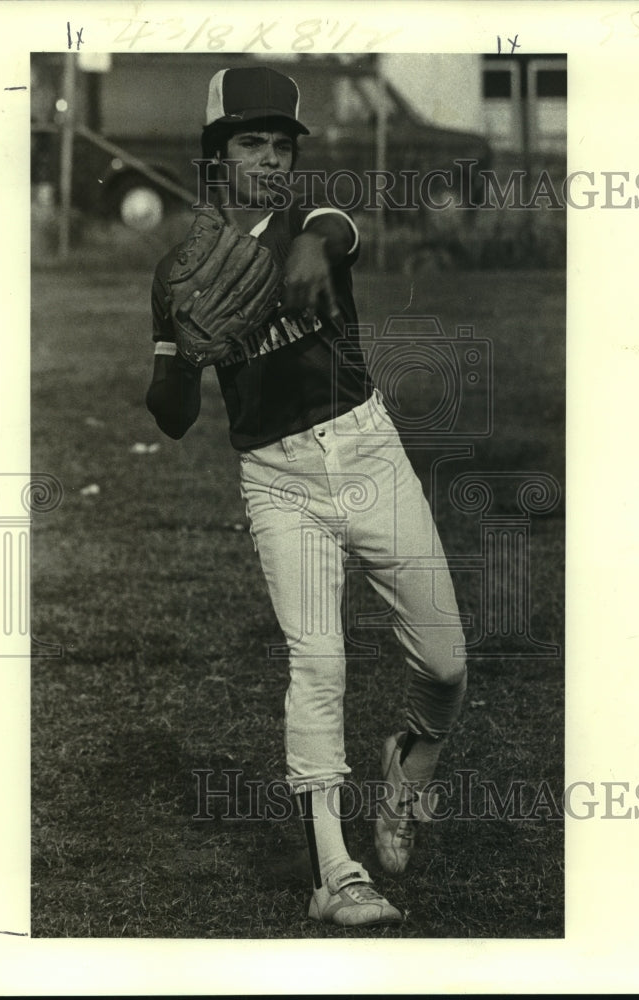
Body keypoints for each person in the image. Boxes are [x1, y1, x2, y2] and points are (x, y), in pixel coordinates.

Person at [146, 65, 467, 928]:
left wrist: (313, 240)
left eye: (282, 144)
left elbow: (338, 228)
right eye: (250, 141)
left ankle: (406, 764)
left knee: (445, 664)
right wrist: (186, 346)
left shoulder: (310, 224)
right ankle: (336, 872)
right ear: (216, 155)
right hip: (276, 476)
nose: (271, 158)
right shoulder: (179, 270)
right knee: (316, 663)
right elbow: (171, 416)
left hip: (365, 450)